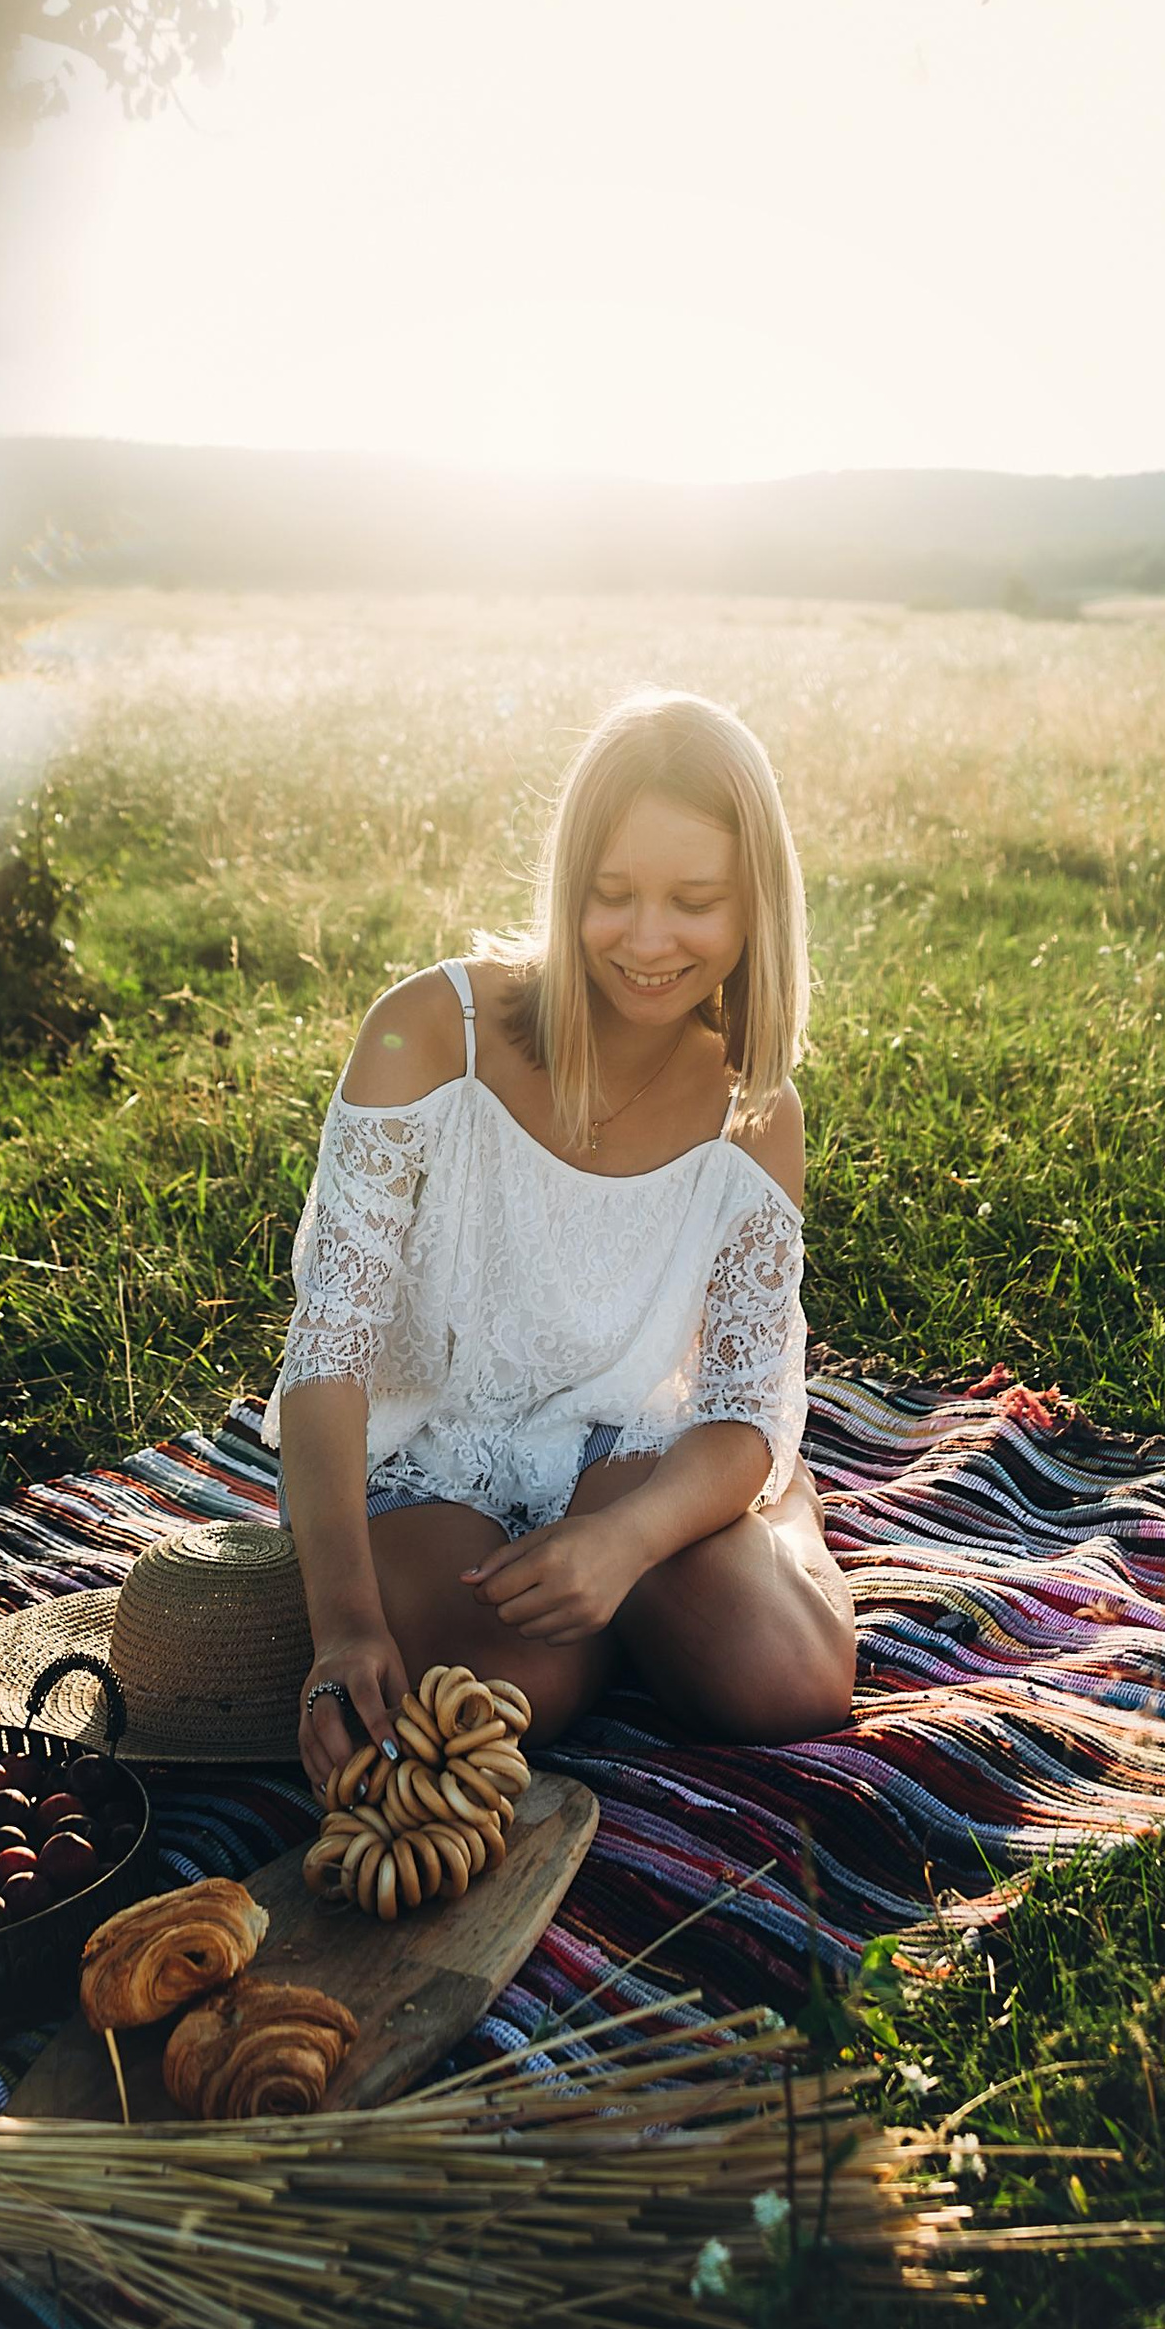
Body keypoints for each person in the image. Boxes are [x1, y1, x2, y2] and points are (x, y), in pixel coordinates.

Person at [272, 688, 859, 1795]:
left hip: (626, 1444)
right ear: (567, 884)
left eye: (694, 901)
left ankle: (784, 1511)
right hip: (434, 1452)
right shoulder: (426, 1036)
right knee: (505, 1691)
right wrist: (343, 1624)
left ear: (755, 905)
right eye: (611, 894)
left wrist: (632, 1537)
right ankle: (642, 1599)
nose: (647, 939)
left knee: (785, 1684)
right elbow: (329, 1350)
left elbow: (742, 1401)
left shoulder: (754, 1109)